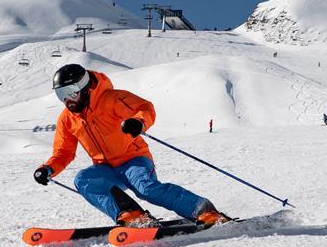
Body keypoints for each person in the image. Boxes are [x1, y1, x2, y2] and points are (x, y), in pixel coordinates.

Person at [33, 64, 232, 228]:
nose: (67, 100)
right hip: (106, 168)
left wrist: (139, 122)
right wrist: (48, 168)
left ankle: (205, 211)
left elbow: (145, 108)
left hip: (133, 159)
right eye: (61, 95)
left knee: (146, 188)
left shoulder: (111, 99)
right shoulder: (67, 119)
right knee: (84, 180)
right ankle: (132, 215)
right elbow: (64, 151)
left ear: (85, 88)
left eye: (71, 93)